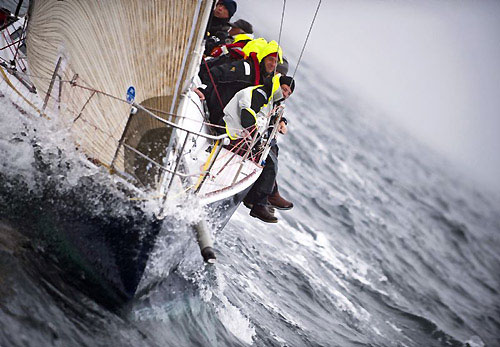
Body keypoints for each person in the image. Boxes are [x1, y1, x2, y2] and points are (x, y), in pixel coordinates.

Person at [222, 75, 295, 223]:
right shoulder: (261, 94)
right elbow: (246, 116)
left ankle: (258, 197)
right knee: (269, 163)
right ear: (278, 85)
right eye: (284, 89)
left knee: (273, 150)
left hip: (244, 135)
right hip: (232, 132)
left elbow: (272, 113)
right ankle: (259, 204)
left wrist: (282, 121)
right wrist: (256, 143)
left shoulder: (270, 98)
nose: (285, 94)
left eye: (288, 93)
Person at [198, 40, 283, 128]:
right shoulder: (245, 68)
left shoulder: (263, 81)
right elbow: (215, 73)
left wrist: (279, 120)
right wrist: (203, 89)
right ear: (263, 58)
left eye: (276, 62)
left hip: (227, 123)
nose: (273, 64)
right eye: (270, 59)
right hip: (213, 112)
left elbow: (269, 102)